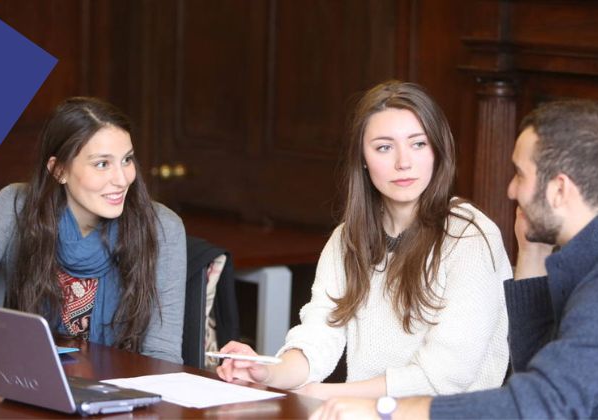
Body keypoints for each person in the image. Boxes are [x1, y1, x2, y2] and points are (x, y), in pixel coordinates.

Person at [311, 100, 598, 419]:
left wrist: (385, 409)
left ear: (559, 190)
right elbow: (534, 373)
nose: (511, 190)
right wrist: (531, 255)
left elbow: (536, 405)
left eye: (519, 175)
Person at [216, 80, 512, 399]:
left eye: (418, 144)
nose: (403, 162)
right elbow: (319, 337)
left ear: (439, 149)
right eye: (384, 147)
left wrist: (325, 395)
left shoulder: (469, 235)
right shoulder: (348, 237)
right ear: (363, 158)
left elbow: (445, 376)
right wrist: (267, 371)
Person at [0, 97, 186, 363]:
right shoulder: (16, 205)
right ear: (59, 170)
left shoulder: (163, 228)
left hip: (123, 393)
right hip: (26, 380)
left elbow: (163, 357)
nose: (122, 179)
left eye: (126, 160)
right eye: (102, 164)